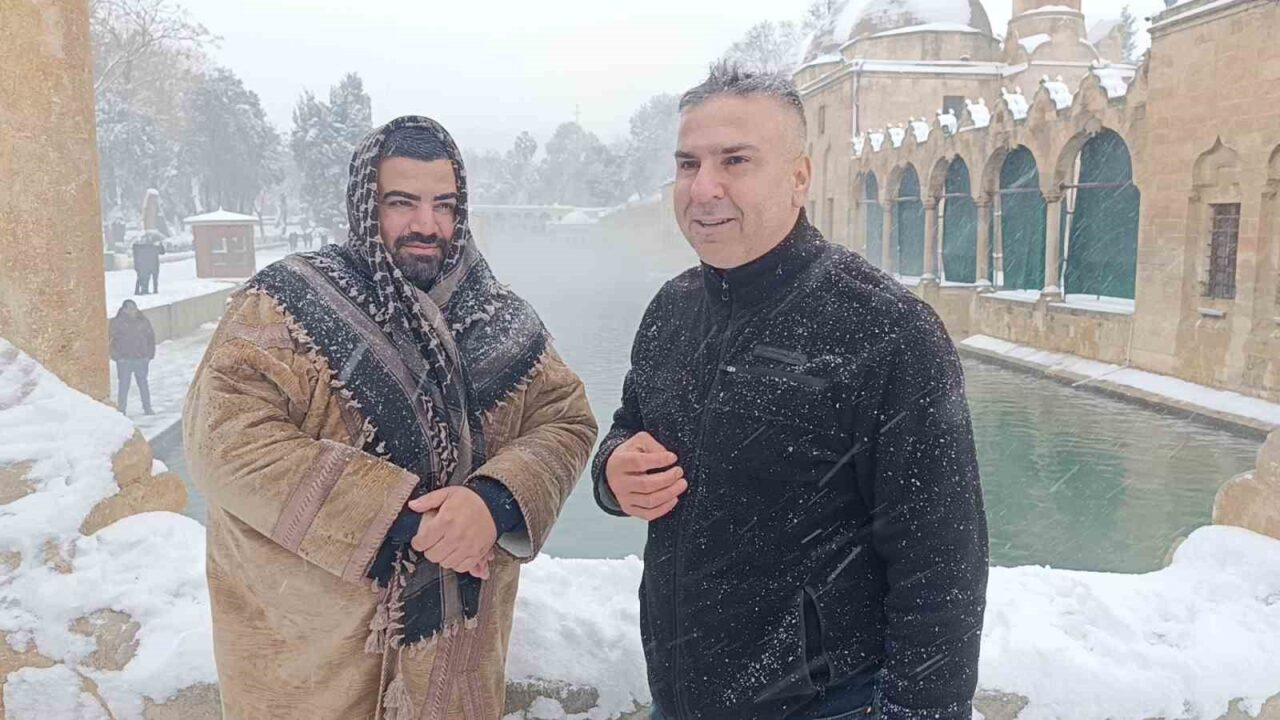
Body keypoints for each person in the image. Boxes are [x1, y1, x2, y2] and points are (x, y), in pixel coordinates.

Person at [592, 64, 989, 720]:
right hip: (681, 697)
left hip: (829, 704)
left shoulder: (887, 329)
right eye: (688, 164)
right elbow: (627, 427)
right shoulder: (672, 310)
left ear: (799, 177)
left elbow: (942, 564)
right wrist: (613, 471)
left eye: (735, 160)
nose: (704, 187)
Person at [183, 116, 597, 720]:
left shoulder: (503, 318)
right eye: (402, 202)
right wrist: (405, 518)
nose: (427, 225)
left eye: (443, 204)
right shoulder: (284, 304)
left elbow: (566, 420)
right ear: (364, 204)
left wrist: (494, 502)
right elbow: (225, 443)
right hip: (310, 671)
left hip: (456, 669)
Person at [109, 299, 155, 415]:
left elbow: (150, 338)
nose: (133, 311)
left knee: (143, 384)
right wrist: (117, 357)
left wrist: (149, 355)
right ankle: (122, 409)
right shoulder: (117, 323)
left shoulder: (143, 321)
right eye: (130, 308)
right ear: (124, 310)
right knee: (123, 386)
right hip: (124, 360)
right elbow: (110, 341)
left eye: (134, 308)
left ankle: (147, 408)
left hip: (141, 358)